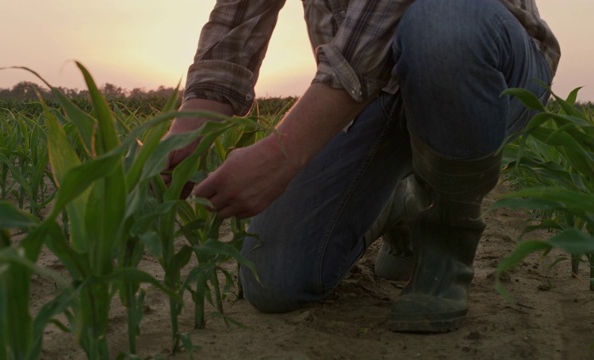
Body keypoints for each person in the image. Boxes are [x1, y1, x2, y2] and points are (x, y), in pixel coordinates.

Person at [164, 0, 560, 333]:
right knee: (275, 280)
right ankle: (398, 200)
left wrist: (283, 152)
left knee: (442, 26)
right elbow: (236, 26)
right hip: (365, 94)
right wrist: (182, 139)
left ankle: (447, 239)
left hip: (483, 61)